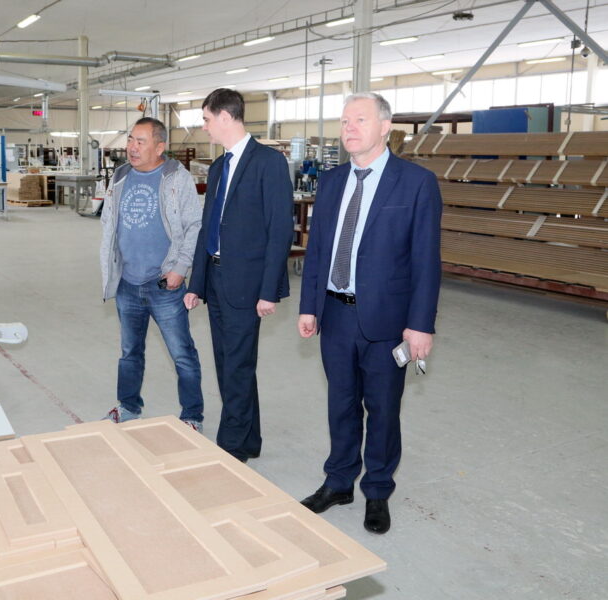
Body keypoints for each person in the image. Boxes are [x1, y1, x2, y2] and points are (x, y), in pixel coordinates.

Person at [297, 92, 442, 534]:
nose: (349, 128)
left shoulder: (415, 183)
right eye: (344, 121)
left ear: (385, 126)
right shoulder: (332, 181)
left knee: (382, 409)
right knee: (340, 404)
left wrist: (420, 325)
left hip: (387, 320)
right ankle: (339, 481)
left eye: (360, 119)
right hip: (335, 314)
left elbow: (426, 261)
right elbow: (318, 249)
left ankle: (377, 490)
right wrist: (309, 306)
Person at [184, 88, 293, 462]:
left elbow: (280, 230)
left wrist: (269, 290)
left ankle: (229, 450)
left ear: (225, 117)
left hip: (247, 284)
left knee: (237, 366)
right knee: (230, 364)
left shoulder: (268, 162)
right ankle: (249, 440)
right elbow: (208, 227)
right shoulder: (219, 167)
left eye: (206, 119)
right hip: (215, 280)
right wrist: (197, 283)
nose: (204, 127)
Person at [100, 117, 205, 431]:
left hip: (164, 284)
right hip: (128, 283)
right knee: (129, 353)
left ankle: (192, 416)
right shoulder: (120, 176)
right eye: (131, 139)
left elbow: (194, 225)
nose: (132, 147)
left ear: (159, 147)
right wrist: (113, 269)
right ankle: (128, 407)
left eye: (140, 141)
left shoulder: (176, 177)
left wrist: (180, 268)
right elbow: (109, 223)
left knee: (182, 354)